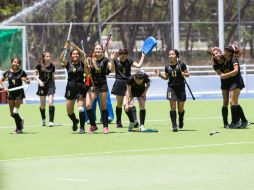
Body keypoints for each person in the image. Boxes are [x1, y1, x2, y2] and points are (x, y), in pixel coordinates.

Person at [155, 49, 189, 132]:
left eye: (172, 54)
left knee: (180, 109)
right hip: (171, 88)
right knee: (172, 107)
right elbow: (166, 78)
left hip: (180, 88)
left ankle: (181, 119)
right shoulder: (167, 67)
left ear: (176, 56)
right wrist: (159, 75)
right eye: (169, 54)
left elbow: (187, 75)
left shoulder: (181, 65)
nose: (170, 56)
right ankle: (174, 125)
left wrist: (183, 73)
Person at [110, 48, 145, 128]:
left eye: (125, 55)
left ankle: (134, 121)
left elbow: (139, 65)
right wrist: (111, 60)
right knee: (119, 104)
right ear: (119, 54)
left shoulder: (129, 61)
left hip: (129, 84)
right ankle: (118, 122)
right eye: (122, 55)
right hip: (119, 83)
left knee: (130, 103)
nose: (123, 56)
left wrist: (143, 56)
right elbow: (111, 70)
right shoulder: (115, 61)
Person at [60, 41, 88, 134]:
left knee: (81, 108)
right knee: (69, 112)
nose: (75, 55)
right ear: (71, 55)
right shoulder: (68, 64)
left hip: (81, 88)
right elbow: (61, 59)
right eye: (73, 54)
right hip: (70, 89)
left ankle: (82, 127)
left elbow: (83, 54)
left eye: (76, 54)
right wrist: (66, 48)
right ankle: (75, 121)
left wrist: (75, 46)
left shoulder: (82, 63)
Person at [220, 45, 249, 128]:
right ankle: (243, 121)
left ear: (229, 53)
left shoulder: (233, 59)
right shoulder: (226, 59)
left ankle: (235, 122)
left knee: (232, 101)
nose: (223, 52)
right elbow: (216, 60)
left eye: (225, 51)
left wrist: (225, 75)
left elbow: (236, 71)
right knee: (234, 102)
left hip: (237, 82)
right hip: (232, 82)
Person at [85, 43, 112, 134]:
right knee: (88, 105)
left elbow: (109, 71)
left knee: (103, 106)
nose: (98, 50)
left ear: (102, 50)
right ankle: (93, 125)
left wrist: (110, 60)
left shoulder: (105, 60)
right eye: (96, 49)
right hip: (93, 86)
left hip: (103, 85)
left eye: (99, 49)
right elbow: (86, 70)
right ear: (94, 50)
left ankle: (105, 126)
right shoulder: (90, 60)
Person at [0, 57, 30, 134]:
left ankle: (19, 129)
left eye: (17, 63)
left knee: (15, 111)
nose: (15, 64)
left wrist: (26, 80)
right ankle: (20, 120)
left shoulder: (22, 72)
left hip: (19, 93)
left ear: (19, 64)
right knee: (12, 113)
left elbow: (28, 81)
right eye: (14, 62)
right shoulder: (7, 72)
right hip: (11, 93)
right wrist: (5, 87)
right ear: (11, 62)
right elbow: (1, 80)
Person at [34, 51, 56, 127]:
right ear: (43, 57)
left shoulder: (52, 66)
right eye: (47, 56)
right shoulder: (39, 66)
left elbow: (53, 76)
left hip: (50, 85)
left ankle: (51, 121)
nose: (48, 58)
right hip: (42, 86)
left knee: (50, 103)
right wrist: (39, 81)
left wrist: (54, 86)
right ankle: (43, 119)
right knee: (42, 105)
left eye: (49, 56)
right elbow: (35, 76)